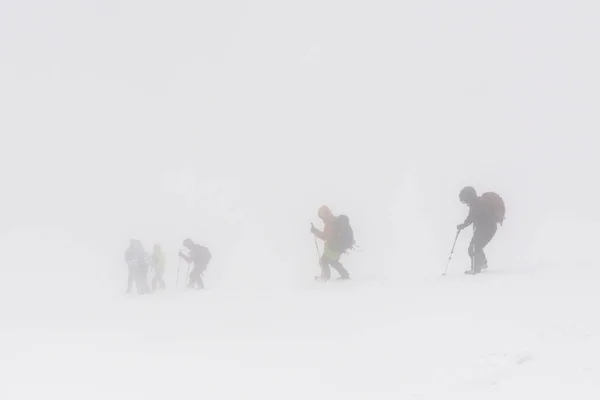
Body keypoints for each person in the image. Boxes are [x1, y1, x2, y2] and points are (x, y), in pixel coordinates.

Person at [456, 186, 503, 275]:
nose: (465, 203)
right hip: (487, 228)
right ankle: (482, 263)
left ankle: (476, 268)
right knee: (476, 246)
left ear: (469, 197)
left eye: (465, 200)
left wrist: (462, 226)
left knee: (473, 247)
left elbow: (471, 218)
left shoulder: (477, 204)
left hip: (486, 228)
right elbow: (472, 217)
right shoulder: (478, 203)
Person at [311, 205, 352, 281]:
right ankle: (345, 275)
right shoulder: (335, 220)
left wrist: (315, 231)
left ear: (324, 215)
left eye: (321, 217)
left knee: (323, 261)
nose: (321, 219)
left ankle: (325, 277)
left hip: (333, 248)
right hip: (338, 248)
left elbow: (325, 236)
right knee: (333, 261)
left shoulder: (330, 223)